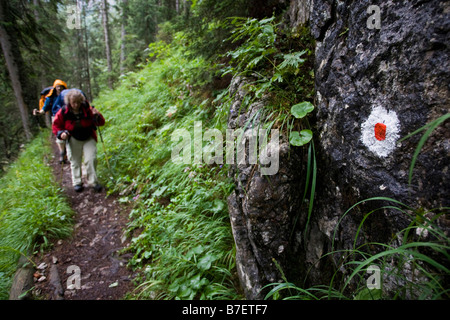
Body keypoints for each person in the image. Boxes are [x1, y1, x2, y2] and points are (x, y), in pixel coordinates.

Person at [52, 89, 105, 192]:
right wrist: (61, 133)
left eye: (78, 102)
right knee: (75, 161)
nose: (76, 105)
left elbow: (101, 123)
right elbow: (56, 126)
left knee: (91, 159)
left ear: (81, 101)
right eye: (73, 103)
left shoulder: (88, 109)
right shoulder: (64, 112)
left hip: (88, 137)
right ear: (69, 102)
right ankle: (77, 182)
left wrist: (97, 115)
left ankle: (93, 182)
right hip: (73, 138)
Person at [33, 79, 68, 163]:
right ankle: (62, 153)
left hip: (67, 117)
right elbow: (44, 108)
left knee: (68, 133)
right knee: (59, 135)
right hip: (56, 118)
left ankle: (67, 153)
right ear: (54, 87)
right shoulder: (50, 97)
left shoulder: (67, 95)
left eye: (61, 87)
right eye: (57, 87)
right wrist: (39, 112)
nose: (59, 88)